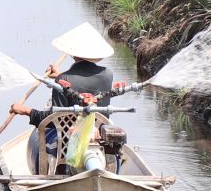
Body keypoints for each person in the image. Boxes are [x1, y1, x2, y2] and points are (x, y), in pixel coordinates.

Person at [10, 22, 132, 172]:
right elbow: (83, 82)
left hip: (69, 138)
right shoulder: (108, 75)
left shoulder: (65, 79)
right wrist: (60, 76)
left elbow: (53, 118)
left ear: (74, 53)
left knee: (46, 131)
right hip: (97, 132)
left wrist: (25, 111)